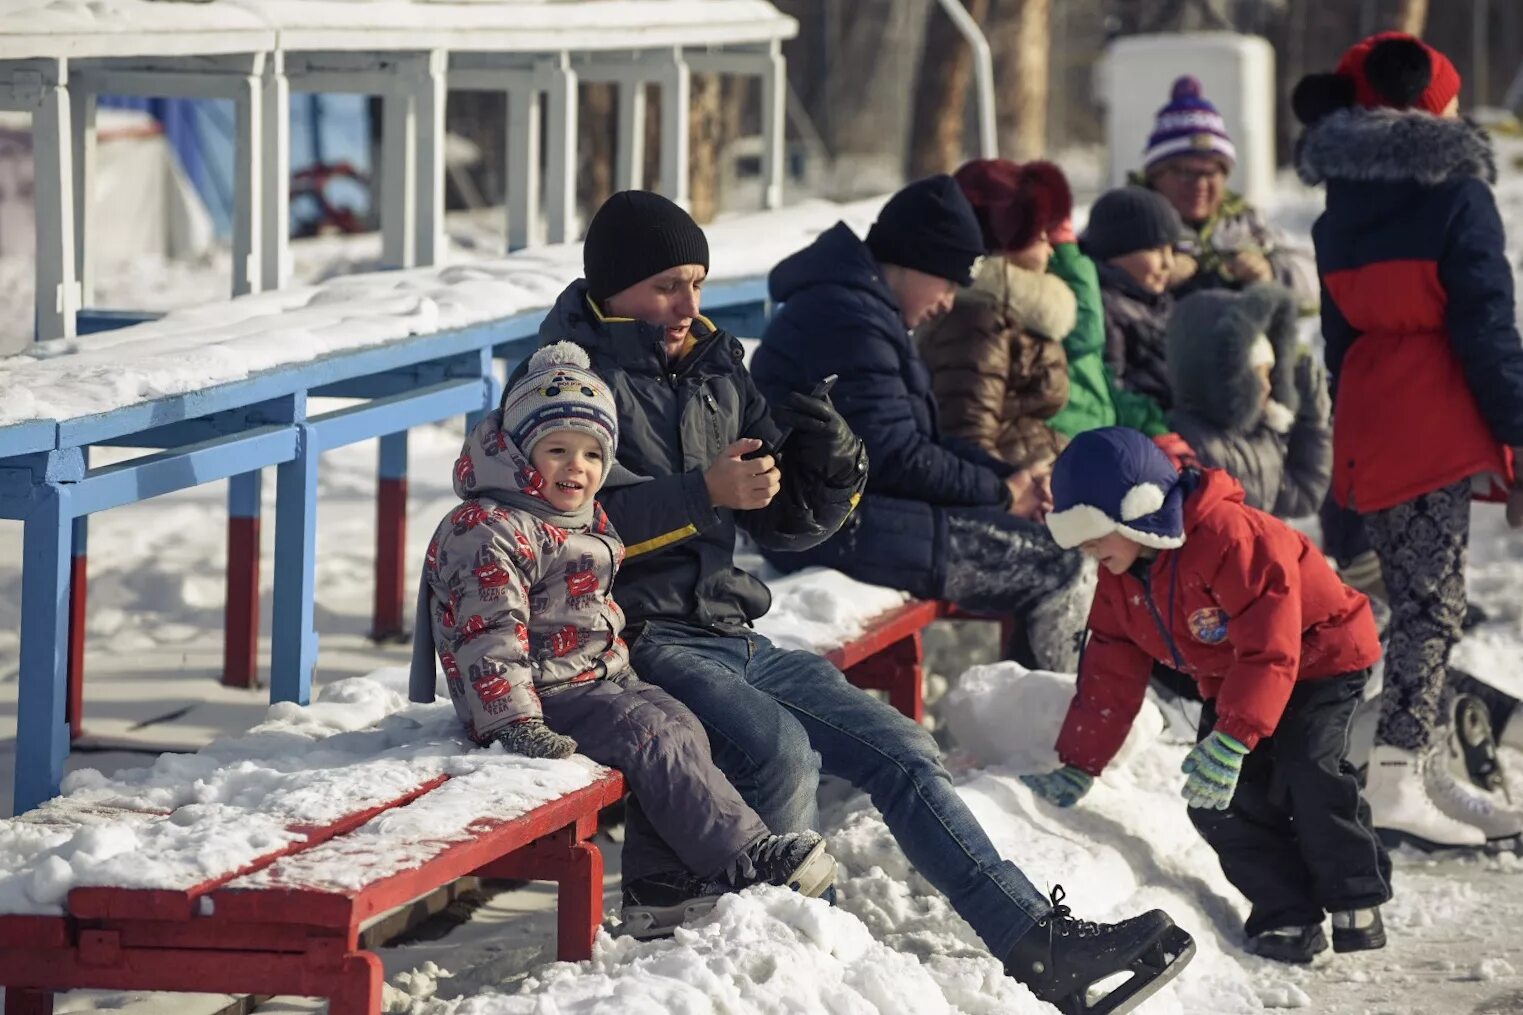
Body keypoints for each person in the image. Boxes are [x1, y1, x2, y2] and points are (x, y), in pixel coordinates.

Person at [520, 189, 1196, 1013]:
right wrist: (704, 492)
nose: (687, 304)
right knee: (778, 751)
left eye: (695, 281)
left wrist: (829, 473)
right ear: (612, 285)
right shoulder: (563, 377)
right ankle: (794, 967)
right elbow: (549, 527)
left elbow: (783, 522)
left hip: (724, 623)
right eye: (667, 285)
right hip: (626, 638)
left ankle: (1034, 942)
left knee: (903, 747)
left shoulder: (707, 363)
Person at [408, 342, 837, 937]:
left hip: (591, 678)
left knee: (681, 723)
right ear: (520, 453)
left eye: (591, 455)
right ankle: (742, 858)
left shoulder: (572, 515)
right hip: (537, 697)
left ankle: (665, 882)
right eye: (557, 451)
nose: (575, 468)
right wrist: (513, 723)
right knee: (652, 735)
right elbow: (489, 635)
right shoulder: (490, 528)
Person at [1023, 427, 1390, 964]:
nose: (1087, 548)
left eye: (1094, 531)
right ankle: (1286, 911)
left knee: (1306, 767)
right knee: (1218, 801)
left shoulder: (1230, 537)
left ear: (1139, 513)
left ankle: (1355, 893)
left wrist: (1236, 735)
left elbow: (1273, 645)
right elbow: (1109, 667)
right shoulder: (1121, 572)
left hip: (1319, 657)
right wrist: (1081, 761)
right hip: (1237, 676)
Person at [1293, 31, 1523, 848]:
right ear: (1427, 102)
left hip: (1368, 417)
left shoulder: (1339, 204)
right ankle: (1397, 772)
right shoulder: (1456, 194)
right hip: (1432, 414)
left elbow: (1337, 340)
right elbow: (1484, 322)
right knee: (1431, 606)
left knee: (1412, 596)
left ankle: (1413, 760)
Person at [752, 175, 1095, 674]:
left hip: (858, 513)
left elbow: (923, 442)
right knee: (1061, 567)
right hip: (828, 526)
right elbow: (893, 456)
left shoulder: (866, 310)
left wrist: (1006, 479)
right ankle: (1054, 727)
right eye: (948, 282)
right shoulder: (846, 319)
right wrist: (1001, 493)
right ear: (914, 262)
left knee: (1065, 551)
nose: (948, 302)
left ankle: (1041, 714)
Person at [917, 158, 1075, 472]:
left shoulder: (1005, 313)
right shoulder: (979, 321)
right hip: (1020, 495)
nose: (1050, 251)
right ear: (1008, 241)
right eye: (1041, 237)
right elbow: (969, 439)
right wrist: (1017, 494)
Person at [1134, 75, 1319, 309]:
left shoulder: (1246, 223)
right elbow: (1097, 279)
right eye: (1184, 172)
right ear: (1155, 175)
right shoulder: (1126, 219)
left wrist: (1270, 271)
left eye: (1211, 173)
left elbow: (1315, 279)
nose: (1200, 184)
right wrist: (1153, 274)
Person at [1164, 282, 1331, 519]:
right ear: (1224, 374)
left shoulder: (1260, 433)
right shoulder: (1189, 444)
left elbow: (1302, 496)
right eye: (1256, 373)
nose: (1267, 385)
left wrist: (1312, 424)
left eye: (1269, 372)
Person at [1081, 186, 1183, 413]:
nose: (1169, 264)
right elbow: (1115, 390)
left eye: (1172, 250)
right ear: (1116, 252)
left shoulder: (1158, 303)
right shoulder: (1105, 311)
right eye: (1156, 251)